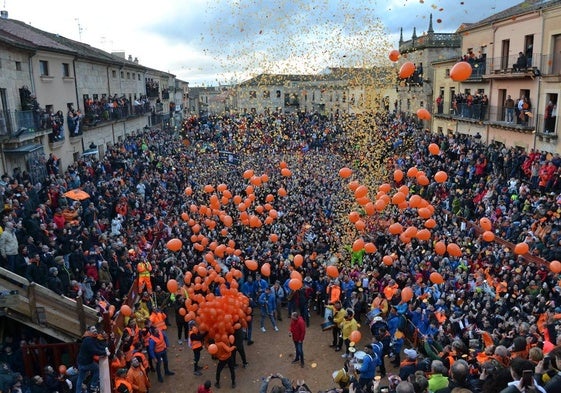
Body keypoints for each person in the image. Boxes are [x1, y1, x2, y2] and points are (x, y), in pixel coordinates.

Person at [76, 325, 109, 393]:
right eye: (93, 329)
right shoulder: (88, 340)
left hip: (81, 362)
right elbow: (95, 350)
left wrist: (105, 349)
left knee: (80, 378)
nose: (95, 330)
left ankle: (78, 391)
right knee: (97, 369)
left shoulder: (91, 338)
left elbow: (98, 346)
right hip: (86, 363)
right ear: (89, 331)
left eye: (95, 328)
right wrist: (105, 353)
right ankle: (93, 385)